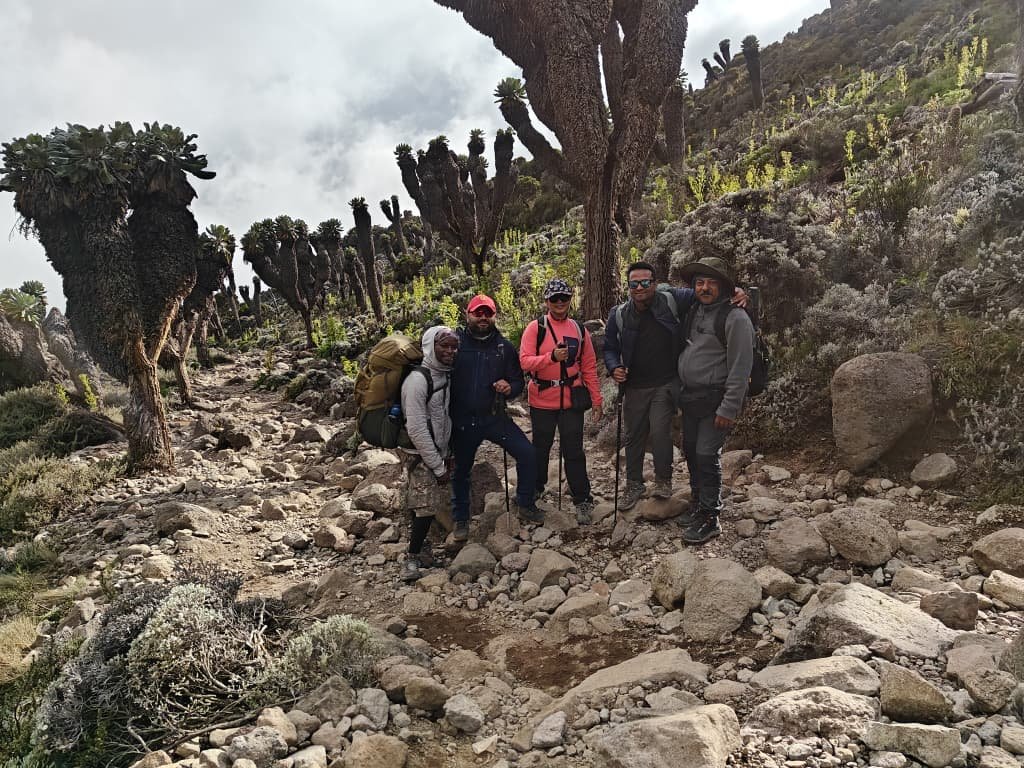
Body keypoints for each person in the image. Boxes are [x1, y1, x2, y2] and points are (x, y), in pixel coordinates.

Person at [603, 261, 697, 510]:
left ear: (655, 283)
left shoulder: (670, 299)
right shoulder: (619, 314)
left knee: (659, 432)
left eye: (645, 282)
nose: (640, 288)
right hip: (634, 386)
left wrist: (735, 293)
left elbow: (703, 292)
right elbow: (610, 348)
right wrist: (614, 368)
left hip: (666, 382)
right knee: (634, 437)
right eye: (634, 284)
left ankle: (663, 481)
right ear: (628, 287)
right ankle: (634, 484)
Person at [676, 257, 754, 545]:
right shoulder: (695, 310)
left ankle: (710, 517)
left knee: (707, 455)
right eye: (699, 282)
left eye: (711, 282)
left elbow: (741, 367)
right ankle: (698, 504)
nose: (704, 287)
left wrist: (729, 407)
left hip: (717, 399)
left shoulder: (735, 318)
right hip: (692, 398)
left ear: (723, 286)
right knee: (692, 450)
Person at [451, 294, 542, 538]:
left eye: (487, 313)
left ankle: (525, 502)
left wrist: (509, 387)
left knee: (527, 453)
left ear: (494, 316)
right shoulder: (455, 343)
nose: (482, 317)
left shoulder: (504, 347)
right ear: (467, 314)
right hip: (462, 421)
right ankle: (461, 519)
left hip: (494, 417)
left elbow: (517, 382)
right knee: (460, 470)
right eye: (477, 313)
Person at [519, 278, 604, 525]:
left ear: (569, 300)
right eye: (554, 298)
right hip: (542, 400)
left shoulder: (579, 329)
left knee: (574, 451)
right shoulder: (536, 328)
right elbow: (524, 361)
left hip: (570, 400)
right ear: (546, 301)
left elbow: (588, 366)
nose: (559, 303)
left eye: (564, 298)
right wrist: (551, 358)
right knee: (540, 448)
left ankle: (582, 499)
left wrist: (596, 399)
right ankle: (535, 489)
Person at [400, 325, 459, 582]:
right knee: (425, 507)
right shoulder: (417, 380)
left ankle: (422, 552)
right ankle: (411, 559)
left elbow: (441, 417)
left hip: (436, 450)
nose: (449, 351)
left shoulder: (443, 375)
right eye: (443, 346)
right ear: (429, 346)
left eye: (453, 346)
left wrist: (447, 453)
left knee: (423, 503)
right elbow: (415, 427)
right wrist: (437, 465)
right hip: (418, 453)